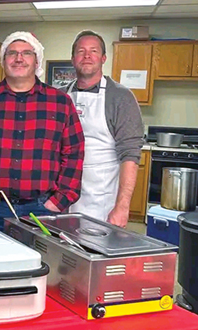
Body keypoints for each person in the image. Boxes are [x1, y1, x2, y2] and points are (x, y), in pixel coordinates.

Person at [0, 31, 85, 231]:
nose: (19, 58)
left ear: (37, 62)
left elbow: (74, 153)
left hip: (42, 210)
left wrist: (58, 202)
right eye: (12, 53)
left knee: (41, 263)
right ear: (3, 61)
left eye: (26, 53)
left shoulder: (60, 102)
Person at [64, 30, 145, 227]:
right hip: (63, 197)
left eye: (93, 51)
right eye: (81, 51)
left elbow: (130, 156)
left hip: (102, 199)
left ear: (103, 58)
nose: (87, 56)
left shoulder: (121, 97)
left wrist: (122, 207)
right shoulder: (61, 96)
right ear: (73, 59)